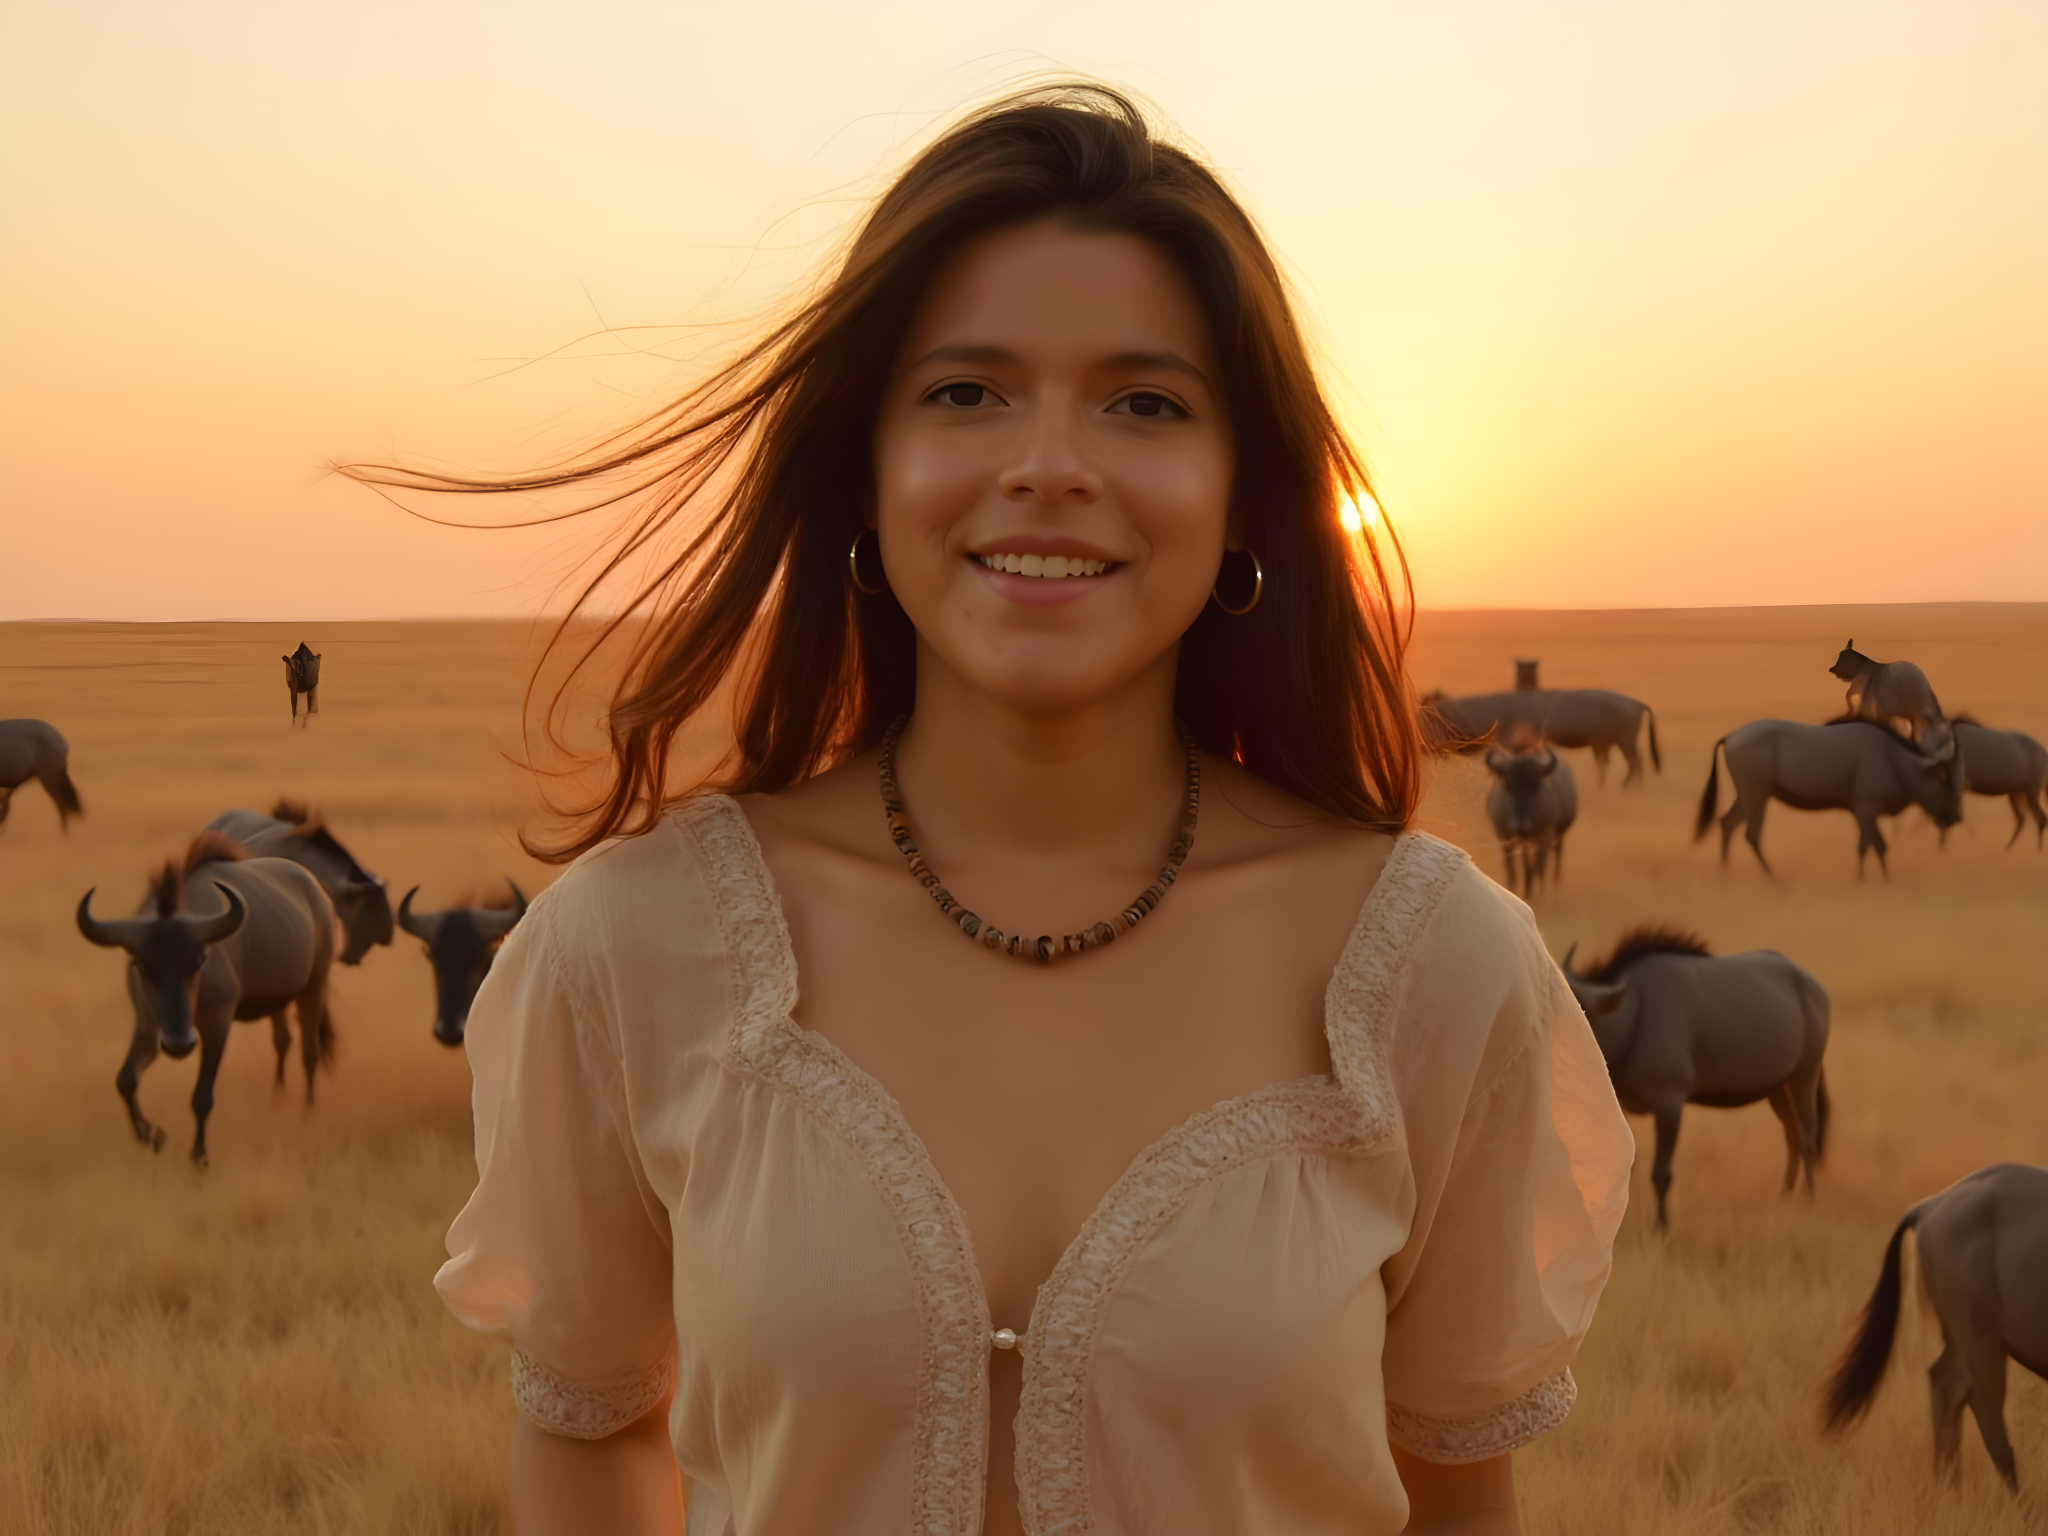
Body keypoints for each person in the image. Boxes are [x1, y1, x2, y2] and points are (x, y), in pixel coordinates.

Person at [397, 84, 1633, 1536]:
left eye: (1147, 402)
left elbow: (1456, 1494)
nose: (1050, 463)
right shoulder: (633, 949)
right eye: (966, 392)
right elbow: (592, 1434)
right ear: (870, 467)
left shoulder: (1435, 968)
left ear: (1245, 498)